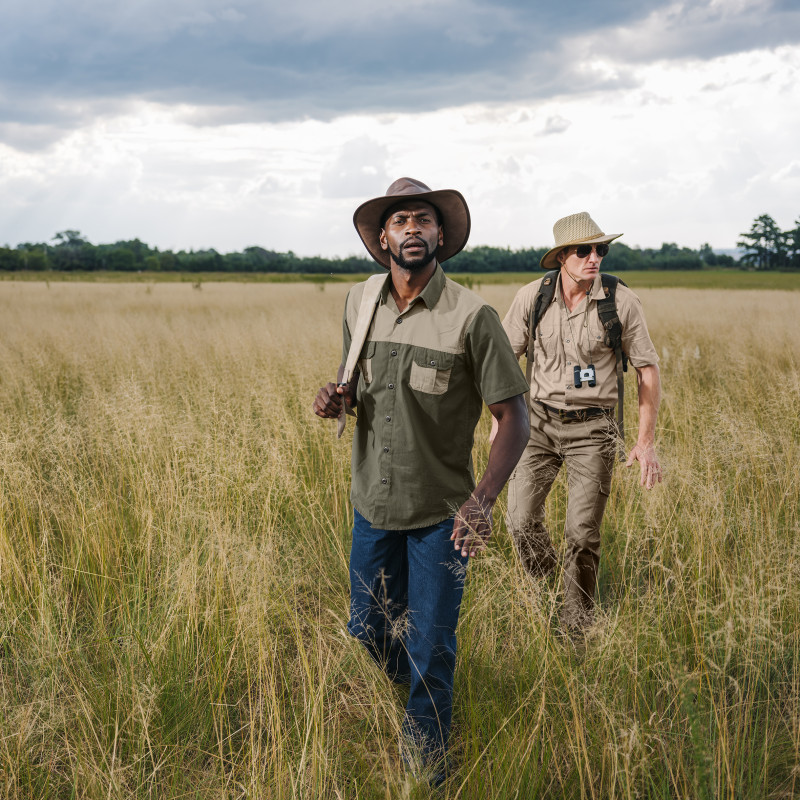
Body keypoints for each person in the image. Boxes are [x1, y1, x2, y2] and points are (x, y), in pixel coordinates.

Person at [313, 177, 529, 782]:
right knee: (366, 628)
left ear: (441, 235)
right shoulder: (360, 301)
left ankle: (425, 767)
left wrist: (483, 502)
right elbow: (353, 378)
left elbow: (516, 418)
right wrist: (337, 396)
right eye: (401, 220)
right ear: (383, 237)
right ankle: (417, 699)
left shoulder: (471, 316)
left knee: (432, 646)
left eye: (424, 220)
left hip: (443, 515)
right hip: (372, 506)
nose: (413, 229)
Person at [498, 211, 662, 638]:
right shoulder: (531, 298)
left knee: (582, 533)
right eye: (583, 250)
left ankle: (576, 628)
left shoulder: (620, 301)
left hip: (594, 430)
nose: (594, 258)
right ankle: (549, 588)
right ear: (561, 258)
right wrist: (502, 419)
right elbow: (502, 362)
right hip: (536, 426)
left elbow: (647, 371)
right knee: (519, 521)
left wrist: (645, 442)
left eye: (600, 249)